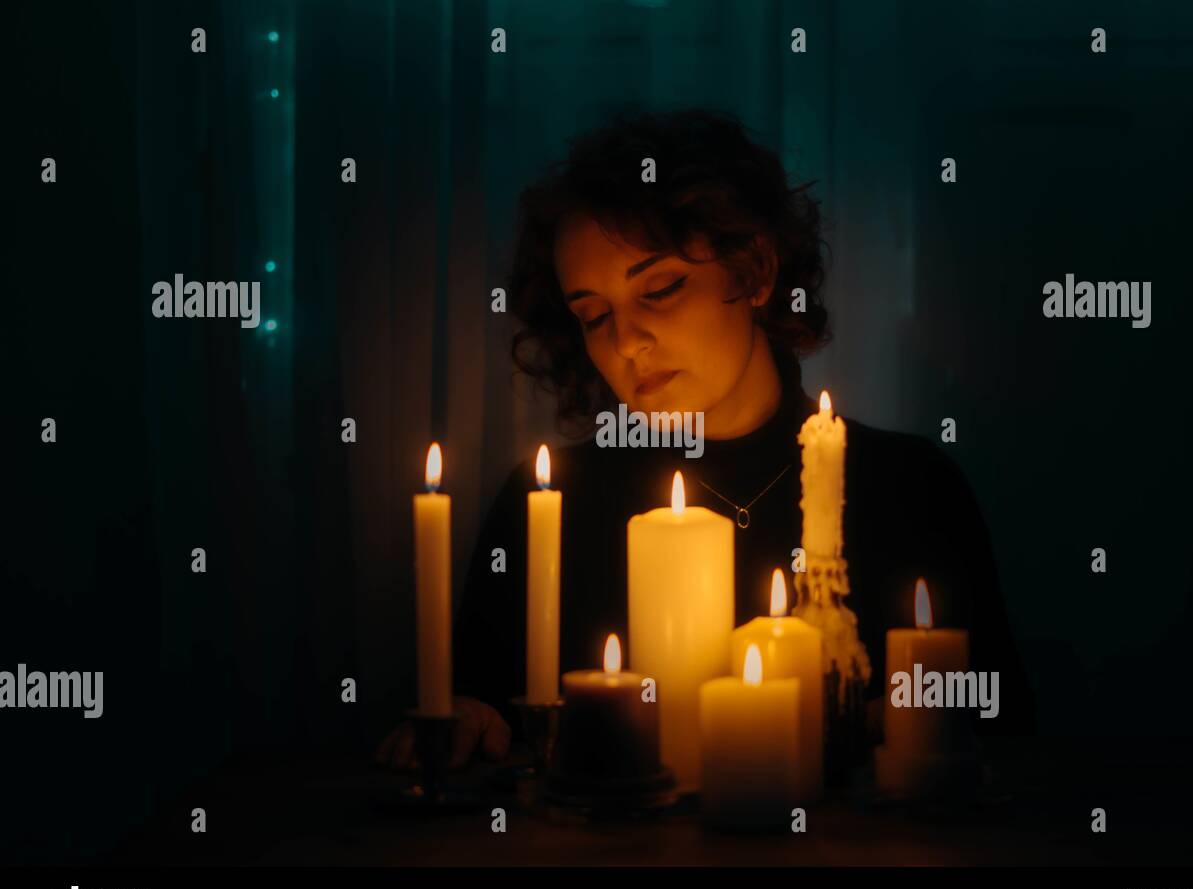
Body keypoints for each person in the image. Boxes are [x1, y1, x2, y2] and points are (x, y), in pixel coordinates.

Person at [376, 108, 1035, 772]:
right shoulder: (546, 504)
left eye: (658, 290)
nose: (627, 342)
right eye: (594, 315)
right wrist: (471, 721)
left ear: (752, 271)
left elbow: (1003, 732)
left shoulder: (912, 489)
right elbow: (481, 714)